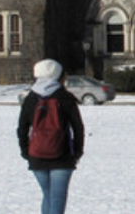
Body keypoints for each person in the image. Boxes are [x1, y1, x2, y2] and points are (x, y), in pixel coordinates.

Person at [18, 59, 85, 214]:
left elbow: (22, 128)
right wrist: (77, 151)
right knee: (57, 198)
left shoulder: (30, 98)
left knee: (47, 195)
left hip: (37, 154)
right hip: (63, 155)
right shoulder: (65, 97)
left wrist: (25, 151)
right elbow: (78, 127)